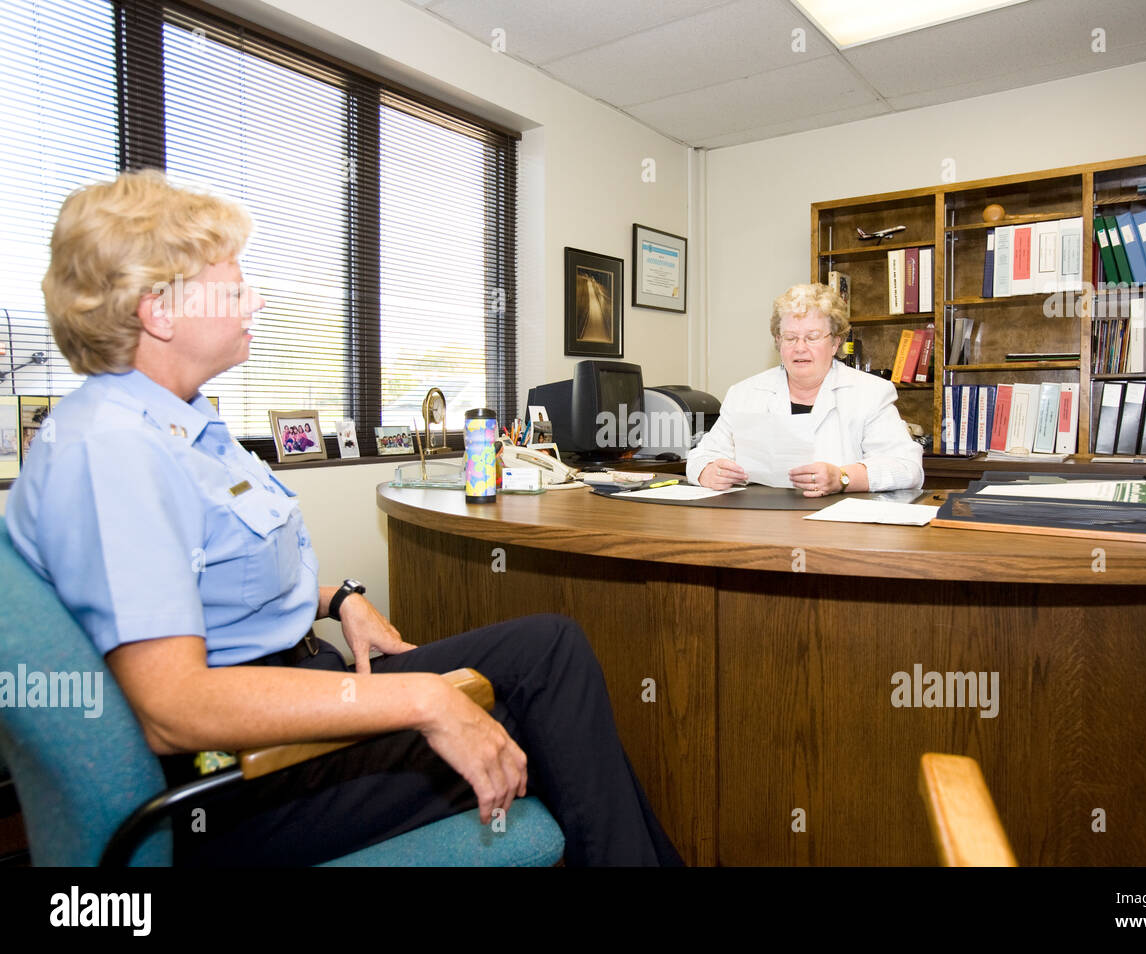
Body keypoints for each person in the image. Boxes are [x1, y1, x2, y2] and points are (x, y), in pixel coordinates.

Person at [6, 170, 681, 866]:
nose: (256, 301)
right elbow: (174, 707)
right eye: (235, 289)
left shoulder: (179, 422)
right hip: (242, 776)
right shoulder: (113, 450)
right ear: (160, 310)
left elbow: (206, 576)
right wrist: (425, 702)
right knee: (543, 716)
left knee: (550, 651)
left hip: (296, 689)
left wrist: (338, 599)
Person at [687, 282, 923, 495]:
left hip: (839, 524)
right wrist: (708, 471)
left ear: (835, 343)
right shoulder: (744, 394)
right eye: (790, 338)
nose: (800, 348)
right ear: (778, 342)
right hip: (761, 520)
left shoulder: (870, 393)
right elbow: (700, 456)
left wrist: (842, 478)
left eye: (812, 337)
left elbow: (907, 468)